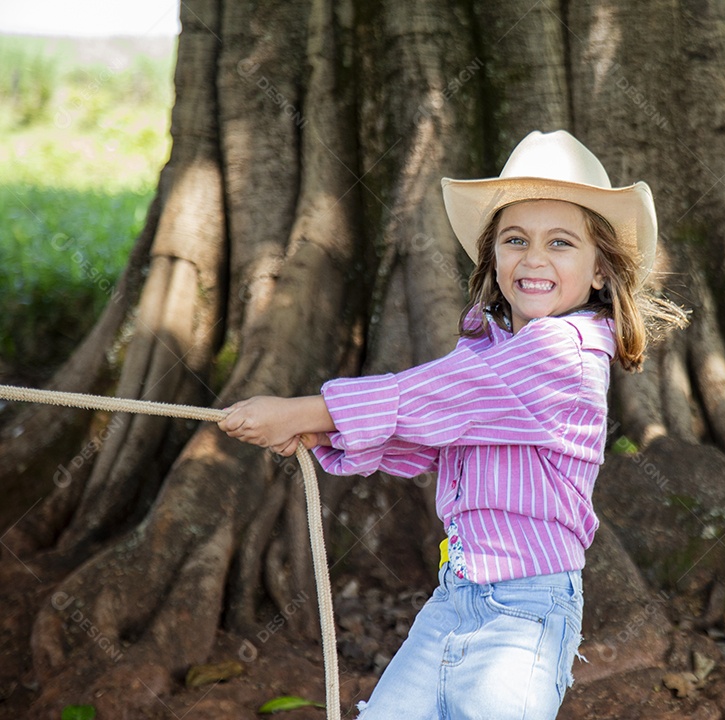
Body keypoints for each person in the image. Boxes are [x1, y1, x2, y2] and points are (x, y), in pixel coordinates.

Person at [218, 129, 687, 719]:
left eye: (561, 243)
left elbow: (433, 396)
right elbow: (433, 429)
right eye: (515, 239)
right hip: (456, 599)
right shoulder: (489, 349)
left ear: (600, 271)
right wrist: (326, 432)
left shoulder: (565, 354)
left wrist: (306, 409)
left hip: (527, 612)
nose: (533, 257)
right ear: (494, 256)